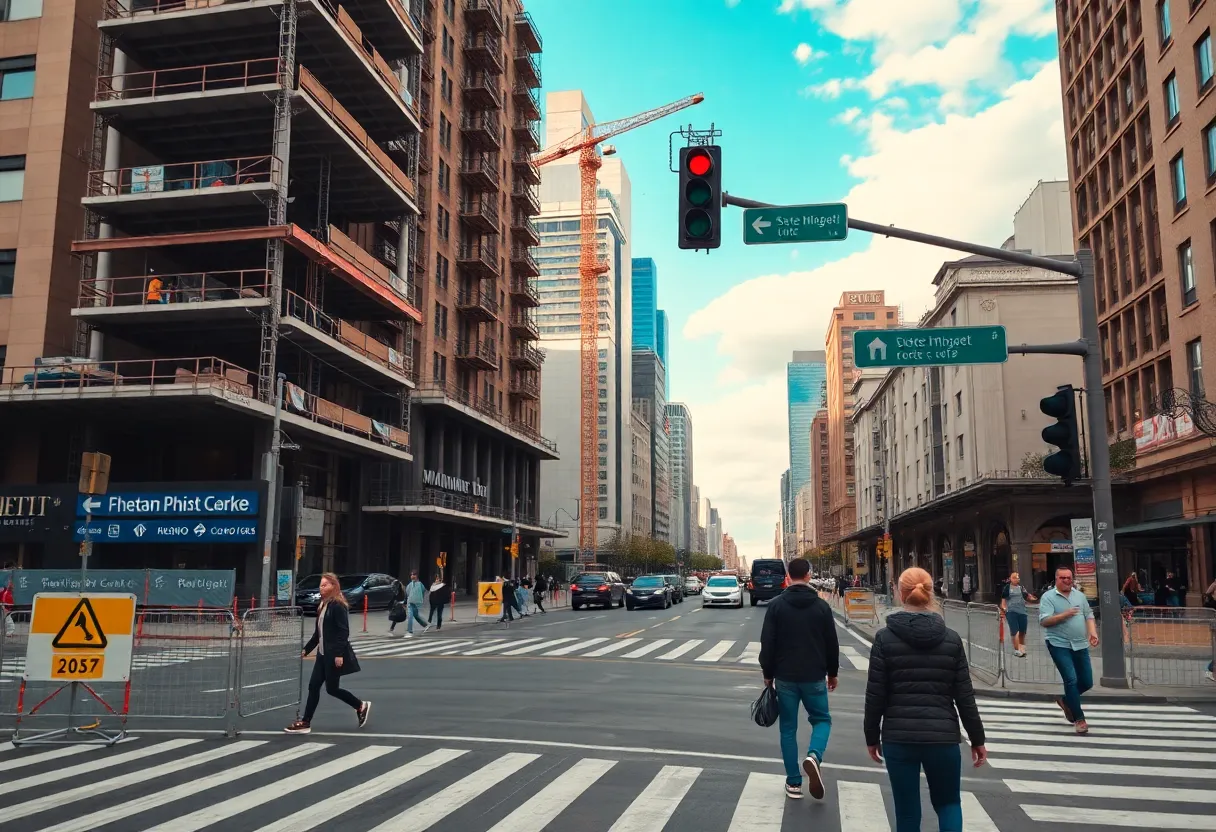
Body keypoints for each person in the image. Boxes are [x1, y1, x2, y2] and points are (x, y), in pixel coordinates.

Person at [864, 567, 986, 832]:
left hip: (899, 737)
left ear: (900, 593)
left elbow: (876, 694)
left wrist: (871, 736)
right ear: (932, 592)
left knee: (907, 812)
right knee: (949, 804)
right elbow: (964, 696)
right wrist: (977, 739)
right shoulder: (951, 639)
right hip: (942, 738)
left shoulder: (884, 639)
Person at [758, 557, 838, 801]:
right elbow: (831, 644)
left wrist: (768, 674)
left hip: (785, 677)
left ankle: (793, 782)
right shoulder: (822, 607)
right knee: (822, 720)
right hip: (814, 675)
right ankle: (814, 755)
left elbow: (767, 643)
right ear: (809, 575)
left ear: (788, 576)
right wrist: (832, 673)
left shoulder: (776, 606)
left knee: (788, 729)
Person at [285, 572, 369, 734]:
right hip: (322, 655)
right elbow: (318, 634)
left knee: (332, 689)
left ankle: (360, 705)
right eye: (320, 585)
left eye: (324, 585)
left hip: (332, 655)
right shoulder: (323, 605)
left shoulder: (338, 605)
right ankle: (305, 722)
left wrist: (338, 654)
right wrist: (306, 649)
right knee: (314, 686)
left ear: (333, 586)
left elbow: (343, 632)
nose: (321, 587)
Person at [1039, 566, 1098, 734]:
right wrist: (1065, 615)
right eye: (1063, 578)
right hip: (1059, 644)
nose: (1066, 581)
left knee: (1087, 682)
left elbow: (1089, 615)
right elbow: (1044, 621)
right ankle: (1079, 718)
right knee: (1071, 680)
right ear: (1056, 579)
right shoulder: (1048, 597)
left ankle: (1066, 701)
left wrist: (1092, 633)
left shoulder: (1079, 596)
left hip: (1080, 644)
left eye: (1069, 578)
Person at [1000, 572, 1036, 658]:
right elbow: (1003, 601)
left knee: (1022, 632)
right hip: (1011, 612)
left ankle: (1022, 648)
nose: (1016, 579)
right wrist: (1004, 608)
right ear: (1010, 579)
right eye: (1014, 578)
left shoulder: (1021, 588)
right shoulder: (1007, 588)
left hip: (1022, 612)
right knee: (1015, 631)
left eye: (1017, 578)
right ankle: (1016, 650)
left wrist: (1032, 598)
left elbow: (1027, 596)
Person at [402, 571, 429, 637]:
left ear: (417, 576)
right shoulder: (410, 585)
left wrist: (419, 598)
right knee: (412, 616)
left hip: (416, 604)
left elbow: (423, 591)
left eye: (414, 575)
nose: (412, 576)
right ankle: (424, 625)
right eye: (411, 575)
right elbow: (407, 594)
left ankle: (410, 632)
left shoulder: (420, 584)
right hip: (410, 603)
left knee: (414, 616)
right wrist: (405, 602)